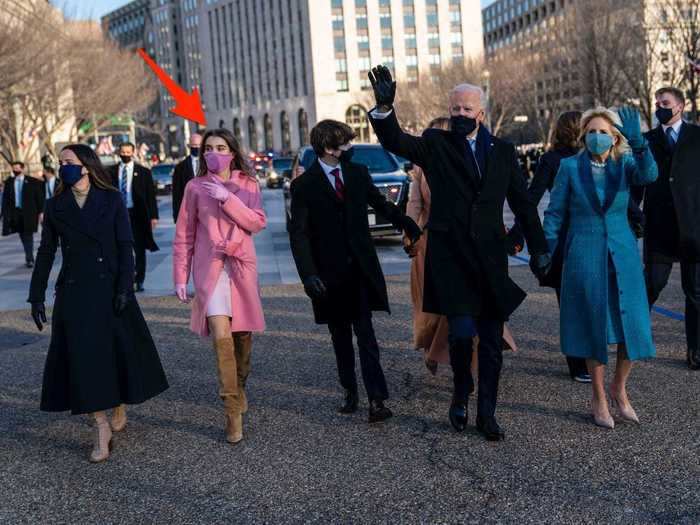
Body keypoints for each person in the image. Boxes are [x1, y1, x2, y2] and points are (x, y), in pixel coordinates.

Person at [367, 65, 550, 441]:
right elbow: (398, 142)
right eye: (456, 110)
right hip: (451, 258)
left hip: (489, 258)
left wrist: (538, 248)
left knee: (492, 341)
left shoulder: (503, 151)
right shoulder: (437, 144)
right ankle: (460, 392)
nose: (461, 116)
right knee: (462, 334)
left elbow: (524, 204)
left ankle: (487, 414)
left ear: (481, 114)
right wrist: (385, 109)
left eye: (468, 110)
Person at [28, 144, 168, 462]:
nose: (63, 166)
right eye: (60, 162)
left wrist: (125, 289)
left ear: (87, 167)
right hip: (75, 292)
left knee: (115, 354)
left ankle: (117, 402)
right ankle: (100, 427)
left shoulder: (111, 199)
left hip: (110, 288)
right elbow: (47, 251)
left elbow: (125, 245)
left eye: (69, 162)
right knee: (82, 361)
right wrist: (36, 294)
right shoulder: (55, 206)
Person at [288, 119, 422, 423]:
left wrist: (407, 223)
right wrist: (308, 274)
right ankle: (349, 391)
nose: (350, 148)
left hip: (360, 271)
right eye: (345, 144)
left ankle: (377, 399)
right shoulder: (304, 185)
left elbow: (381, 204)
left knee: (367, 335)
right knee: (340, 338)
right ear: (328, 148)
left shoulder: (358, 174)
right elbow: (299, 234)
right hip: (328, 275)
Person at [543, 107, 658, 429]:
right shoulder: (568, 167)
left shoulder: (625, 164)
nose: (597, 137)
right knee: (593, 325)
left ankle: (619, 388)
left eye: (604, 132)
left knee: (632, 325)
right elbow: (554, 212)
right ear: (583, 135)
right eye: (591, 131)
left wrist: (640, 144)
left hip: (623, 255)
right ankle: (598, 397)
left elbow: (649, 175)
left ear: (615, 137)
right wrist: (550, 250)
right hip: (583, 253)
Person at [172, 128, 266, 445]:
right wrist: (179, 276)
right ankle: (231, 411)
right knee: (222, 339)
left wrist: (228, 200)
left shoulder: (248, 183)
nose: (214, 152)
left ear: (232, 151)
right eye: (209, 148)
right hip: (209, 270)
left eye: (221, 147)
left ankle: (239, 385)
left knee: (242, 338)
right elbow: (184, 234)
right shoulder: (194, 187)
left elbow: (256, 222)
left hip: (241, 267)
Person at [405, 117, 518, 378]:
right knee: (437, 313)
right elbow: (415, 204)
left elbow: (490, 204)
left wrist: (504, 235)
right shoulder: (423, 166)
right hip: (433, 244)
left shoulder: (474, 162)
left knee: (472, 309)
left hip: (473, 245)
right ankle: (436, 352)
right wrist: (410, 234)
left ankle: (471, 369)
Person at [636, 87, 700, 370]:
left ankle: (695, 350)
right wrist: (633, 216)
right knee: (651, 285)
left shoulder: (697, 137)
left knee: (695, 291)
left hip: (693, 228)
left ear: (680, 106)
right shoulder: (647, 140)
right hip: (659, 228)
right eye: (657, 103)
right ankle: (632, 341)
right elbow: (636, 183)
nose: (660, 107)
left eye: (665, 103)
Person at [108, 142, 159, 292]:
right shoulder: (111, 171)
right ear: (119, 152)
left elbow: (151, 195)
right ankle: (124, 278)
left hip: (137, 214)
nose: (125, 155)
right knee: (120, 247)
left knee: (139, 247)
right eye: (122, 152)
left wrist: (153, 216)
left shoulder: (143, 172)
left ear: (133, 152)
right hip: (118, 214)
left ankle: (139, 279)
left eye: (128, 152)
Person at [1, 161, 45, 268]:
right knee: (22, 235)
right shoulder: (9, 182)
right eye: (13, 168)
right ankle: (28, 255)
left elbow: (39, 198)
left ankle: (29, 258)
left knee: (28, 235)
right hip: (15, 213)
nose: (15, 170)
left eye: (17, 168)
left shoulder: (32, 182)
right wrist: (4, 214)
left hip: (29, 213)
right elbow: (5, 199)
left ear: (22, 169)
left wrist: (41, 212)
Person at [172, 133, 203, 222]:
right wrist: (176, 216)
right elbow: (176, 193)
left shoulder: (210, 164)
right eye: (194, 145)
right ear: (189, 146)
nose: (197, 147)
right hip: (188, 211)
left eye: (199, 145)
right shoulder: (180, 168)